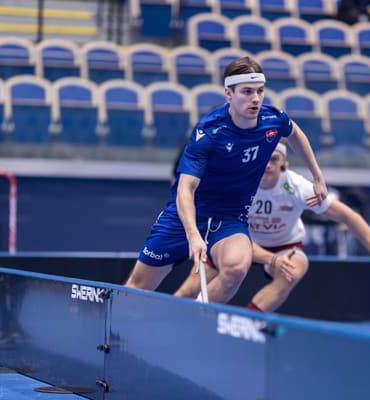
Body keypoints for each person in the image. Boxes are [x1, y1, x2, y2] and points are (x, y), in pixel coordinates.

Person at [125, 56, 328, 305]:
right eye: (247, 92)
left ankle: (196, 321)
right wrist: (192, 234)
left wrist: (317, 176)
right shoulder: (209, 132)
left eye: (260, 91)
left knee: (236, 268)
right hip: (185, 218)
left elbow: (295, 133)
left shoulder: (273, 120)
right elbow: (185, 189)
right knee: (138, 286)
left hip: (230, 218)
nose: (255, 98)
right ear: (229, 94)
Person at [174, 141, 370, 312]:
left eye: (275, 159)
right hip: (240, 242)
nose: (268, 165)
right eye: (265, 158)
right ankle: (182, 317)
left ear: (284, 162)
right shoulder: (238, 185)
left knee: (295, 269)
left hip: (284, 246)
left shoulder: (298, 188)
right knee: (190, 288)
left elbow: (350, 217)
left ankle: (246, 322)